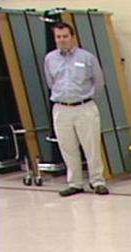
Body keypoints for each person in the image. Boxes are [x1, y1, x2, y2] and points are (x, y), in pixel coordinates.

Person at [44, 22, 108, 196]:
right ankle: (75, 183)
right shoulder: (50, 59)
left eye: (65, 36)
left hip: (84, 107)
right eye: (58, 37)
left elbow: (99, 81)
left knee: (91, 146)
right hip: (61, 108)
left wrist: (86, 97)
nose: (62, 40)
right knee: (67, 147)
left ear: (72, 37)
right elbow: (51, 82)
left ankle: (97, 181)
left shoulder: (87, 57)